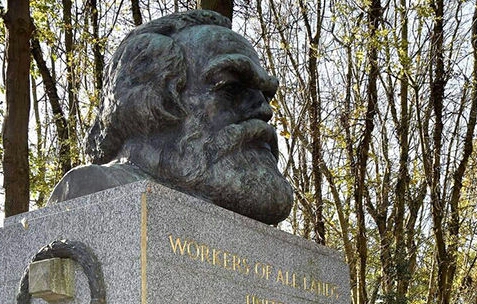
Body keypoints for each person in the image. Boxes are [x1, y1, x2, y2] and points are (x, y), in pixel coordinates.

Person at [48, 10, 293, 225]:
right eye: (231, 87)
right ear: (151, 102)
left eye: (266, 94)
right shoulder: (92, 189)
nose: (265, 110)